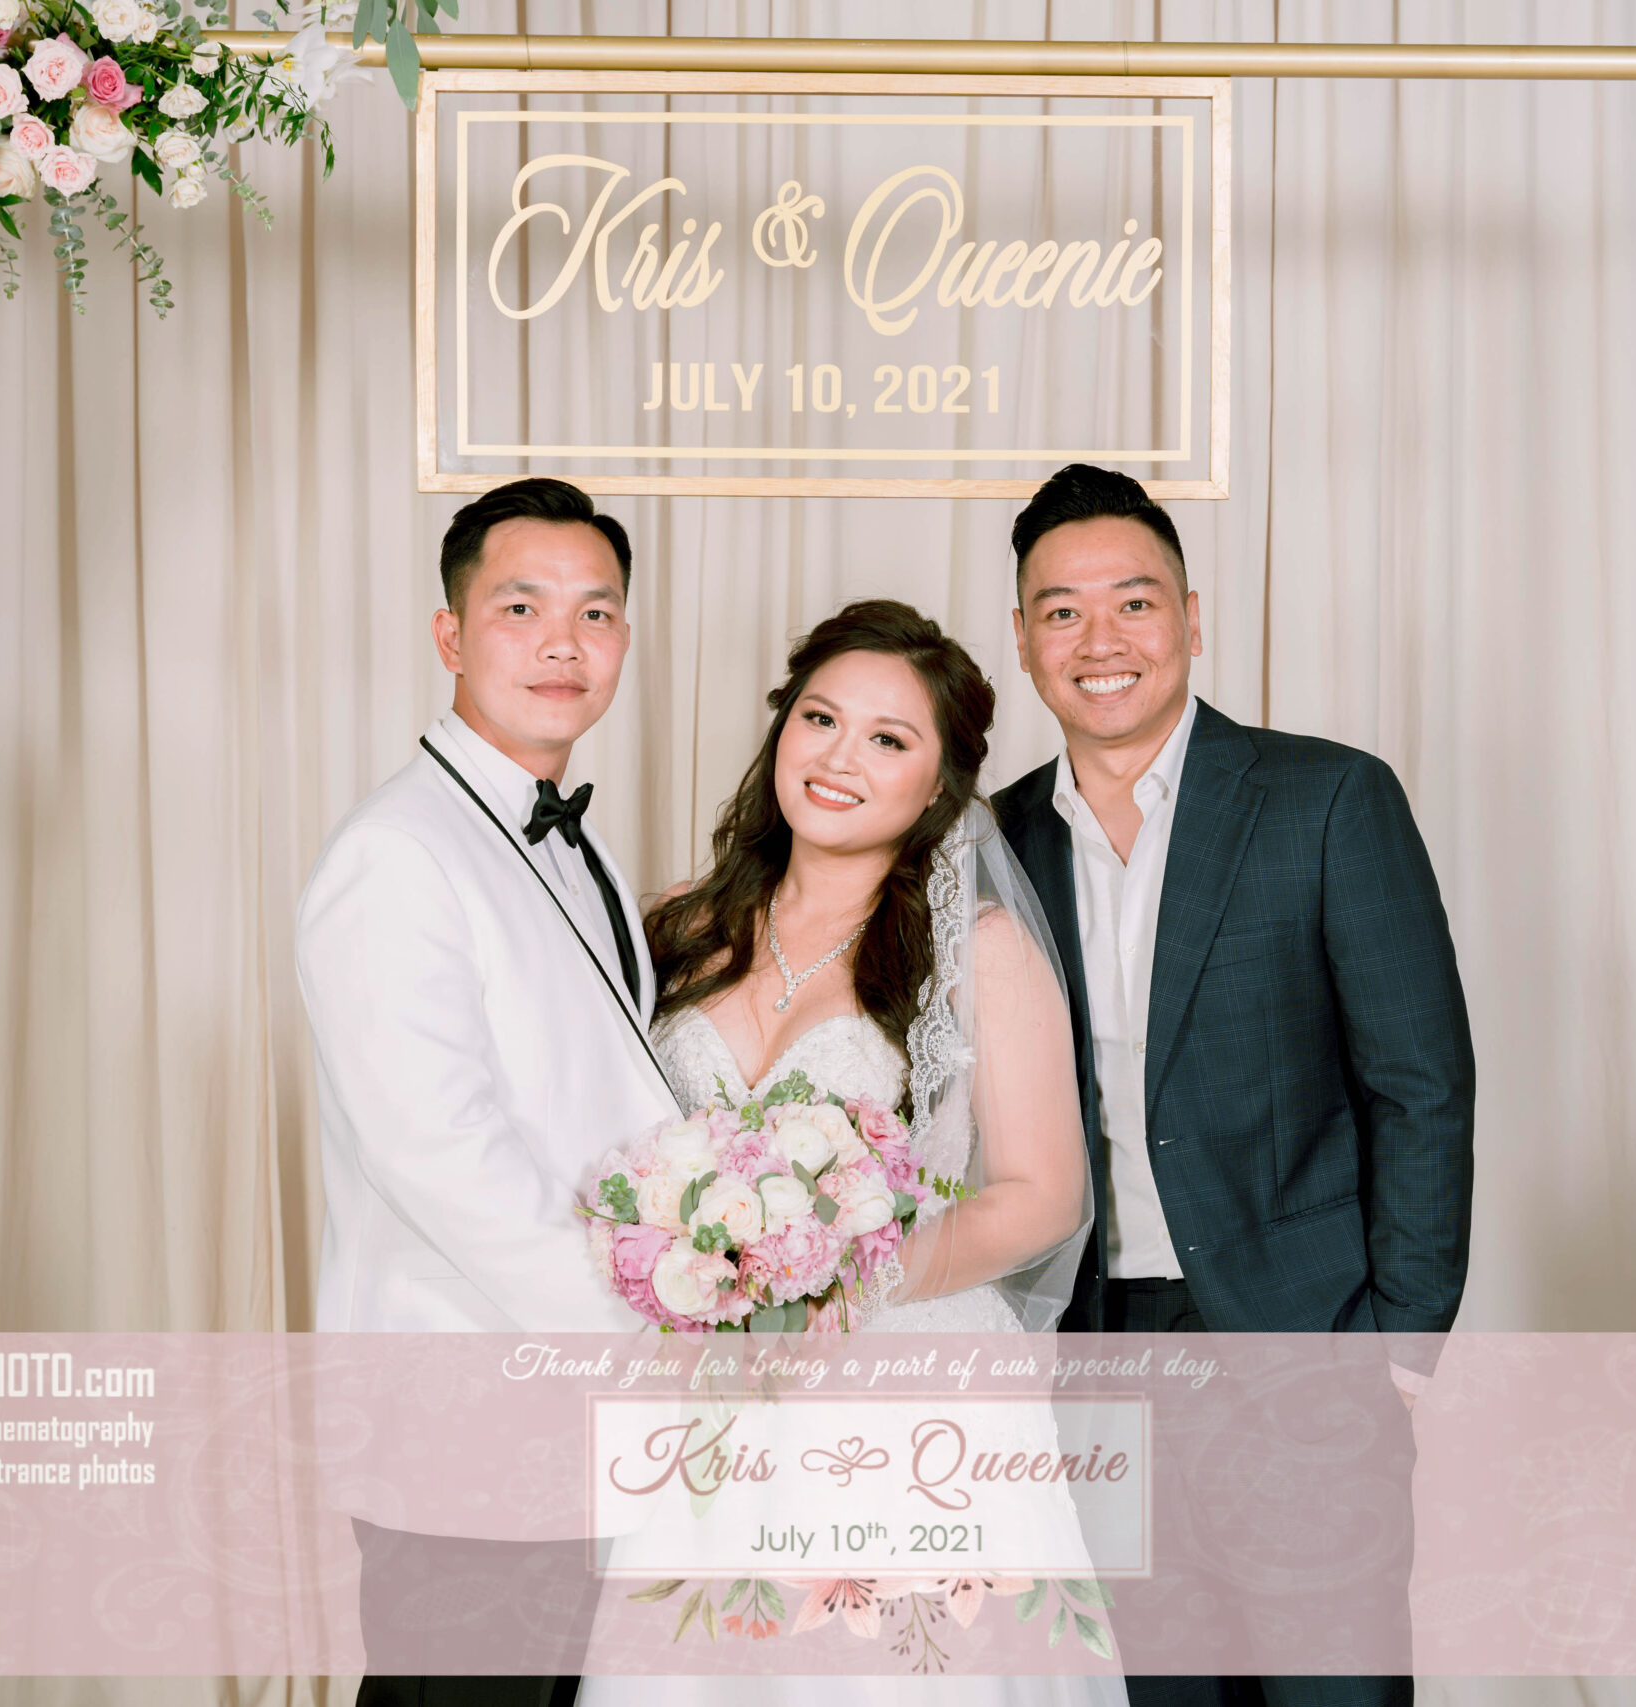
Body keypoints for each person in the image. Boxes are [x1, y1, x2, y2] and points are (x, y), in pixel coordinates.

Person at [990, 465, 1477, 1707]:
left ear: (1191, 620)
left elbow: (1420, 1084)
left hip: (1301, 1347)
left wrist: (1398, 1349)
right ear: (1024, 640)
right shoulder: (995, 844)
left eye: (1133, 603)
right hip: (1095, 1363)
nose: (1100, 641)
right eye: (1061, 612)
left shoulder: (1325, 799)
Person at [578, 599, 1122, 1707]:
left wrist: (834, 1282)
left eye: (888, 738)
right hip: (706, 1401)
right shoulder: (672, 926)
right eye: (820, 719)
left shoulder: (980, 952)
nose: (839, 758)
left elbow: (1043, 1194)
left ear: (939, 786)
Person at [297, 477, 678, 1707]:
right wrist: (655, 1347)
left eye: (595, 613)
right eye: (522, 608)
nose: (563, 643)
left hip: (579, 1428)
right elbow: (440, 1155)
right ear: (450, 635)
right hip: (463, 1424)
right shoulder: (395, 853)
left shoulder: (571, 839)